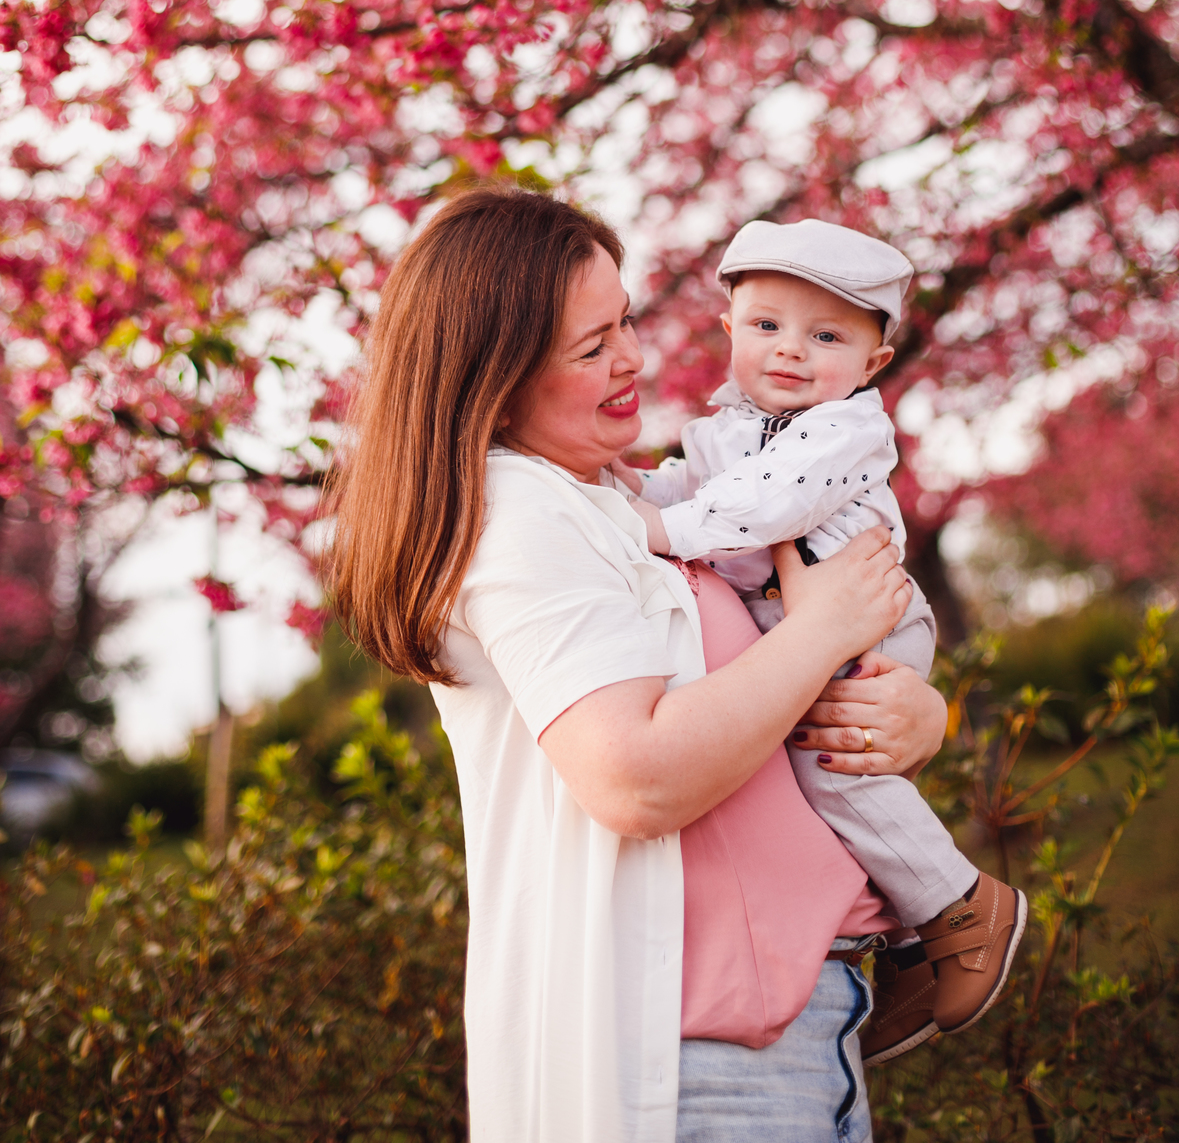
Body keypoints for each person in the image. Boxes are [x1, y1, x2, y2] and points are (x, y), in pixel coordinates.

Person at [329, 187, 951, 1142]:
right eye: (591, 348)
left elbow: (761, 700)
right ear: (496, 376)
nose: (631, 359)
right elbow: (635, 776)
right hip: (702, 1059)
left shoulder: (614, 502)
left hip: (777, 1029)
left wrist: (914, 713)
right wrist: (821, 632)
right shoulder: (523, 516)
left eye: (623, 322)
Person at [617, 219, 1026, 1065]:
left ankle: (959, 905)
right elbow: (688, 488)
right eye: (766, 326)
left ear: (874, 363)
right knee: (808, 774)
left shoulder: (845, 430)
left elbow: (765, 504)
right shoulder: (727, 427)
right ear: (730, 329)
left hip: (868, 620)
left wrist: (655, 527)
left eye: (827, 337)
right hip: (807, 626)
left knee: (834, 769)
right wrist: (632, 491)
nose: (791, 351)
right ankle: (909, 941)